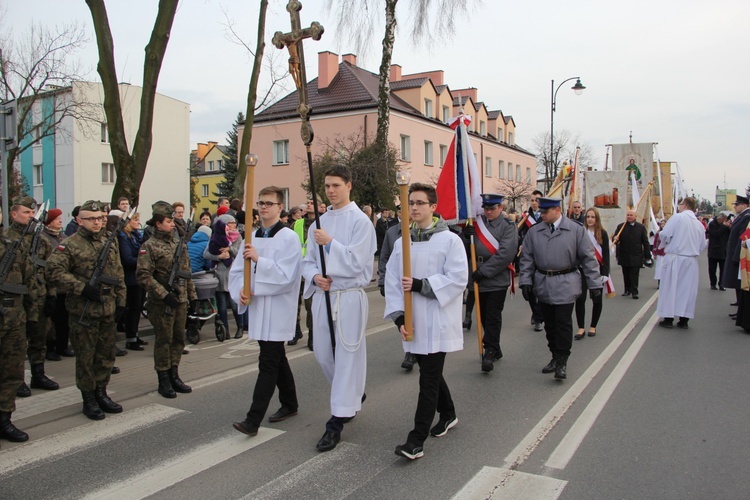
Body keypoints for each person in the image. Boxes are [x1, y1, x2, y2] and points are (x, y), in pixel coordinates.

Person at [384, 183, 467, 460]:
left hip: (438, 319)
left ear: (433, 207)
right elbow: (393, 282)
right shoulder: (401, 242)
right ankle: (449, 413)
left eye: (420, 203)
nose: (415, 208)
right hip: (414, 321)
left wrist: (421, 285)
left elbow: (458, 278)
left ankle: (416, 440)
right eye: (411, 203)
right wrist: (399, 317)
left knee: (428, 378)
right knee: (429, 371)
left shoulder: (450, 240)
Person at [301, 165, 376, 452]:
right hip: (323, 295)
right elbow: (307, 260)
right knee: (322, 353)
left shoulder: (360, 222)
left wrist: (330, 243)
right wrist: (314, 276)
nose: (331, 191)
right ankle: (352, 392)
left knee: (346, 354)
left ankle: (335, 423)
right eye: (327, 186)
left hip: (348, 296)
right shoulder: (317, 223)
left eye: (336, 185)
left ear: (349, 185)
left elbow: (359, 263)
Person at [229, 186, 302, 437]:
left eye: (269, 203)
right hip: (259, 308)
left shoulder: (289, 238)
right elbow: (238, 271)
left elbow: (288, 277)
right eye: (260, 203)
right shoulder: (252, 235)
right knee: (275, 356)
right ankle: (290, 403)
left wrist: (260, 261)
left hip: (279, 308)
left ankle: (253, 420)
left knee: (268, 362)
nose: (263, 207)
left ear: (280, 207)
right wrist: (240, 289)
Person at [47, 200, 127, 420]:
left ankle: (101, 392)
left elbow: (118, 274)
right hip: (84, 312)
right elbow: (53, 271)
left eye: (100, 218)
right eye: (91, 219)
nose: (97, 222)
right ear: (80, 220)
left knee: (105, 356)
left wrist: (121, 301)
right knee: (86, 357)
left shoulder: (109, 242)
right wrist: (81, 287)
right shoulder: (69, 244)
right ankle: (88, 398)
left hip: (107, 309)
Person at [519, 197, 601, 380]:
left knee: (563, 323)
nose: (542, 215)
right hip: (543, 283)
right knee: (550, 324)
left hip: (566, 281)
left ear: (557, 210)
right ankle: (555, 356)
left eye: (545, 212)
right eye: (541, 212)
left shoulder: (576, 230)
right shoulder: (535, 232)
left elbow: (588, 259)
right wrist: (525, 281)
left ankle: (562, 360)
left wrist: (595, 285)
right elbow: (527, 259)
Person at [137, 201, 197, 399]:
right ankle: (163, 379)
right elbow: (144, 276)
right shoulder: (149, 246)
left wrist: (192, 296)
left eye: (173, 220)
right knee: (164, 340)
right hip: (161, 303)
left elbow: (186, 272)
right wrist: (164, 294)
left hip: (180, 300)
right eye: (168, 220)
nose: (172, 224)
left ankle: (174, 374)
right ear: (157, 223)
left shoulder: (178, 244)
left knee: (178, 339)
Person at [5, 198, 59, 398]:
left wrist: (52, 295)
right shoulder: (6, 239)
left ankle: (38, 374)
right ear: (14, 214)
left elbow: (51, 270)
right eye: (26, 212)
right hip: (16, 301)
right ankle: (16, 379)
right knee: (16, 344)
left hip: (39, 297)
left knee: (39, 338)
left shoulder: (42, 240)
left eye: (32, 212)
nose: (31, 216)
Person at [462, 194, 517, 372]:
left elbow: (506, 255)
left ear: (500, 208)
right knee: (483, 315)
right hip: (477, 275)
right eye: (486, 208)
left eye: (492, 208)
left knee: (493, 316)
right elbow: (464, 249)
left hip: (495, 279)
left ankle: (490, 350)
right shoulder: (478, 224)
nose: (488, 212)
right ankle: (495, 346)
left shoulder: (508, 226)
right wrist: (465, 236)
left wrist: (484, 272)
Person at [0, 198, 39, 444]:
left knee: (12, 372)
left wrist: (33, 316)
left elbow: (29, 282)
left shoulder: (12, 245)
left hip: (14, 320)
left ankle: (4, 419)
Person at [655, 198, 707, 329]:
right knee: (687, 290)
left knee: (670, 287)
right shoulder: (699, 224)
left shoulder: (677, 217)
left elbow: (665, 234)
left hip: (675, 258)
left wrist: (664, 239)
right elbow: (702, 245)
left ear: (684, 205)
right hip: (691, 260)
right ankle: (684, 320)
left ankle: (668, 318)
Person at [42, 208, 74, 360]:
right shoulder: (43, 237)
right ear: (49, 221)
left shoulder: (63, 236)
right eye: (57, 219)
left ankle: (62, 346)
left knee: (64, 320)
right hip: (52, 286)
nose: (60, 221)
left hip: (65, 286)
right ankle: (51, 348)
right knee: (52, 321)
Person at [204, 214, 244, 338]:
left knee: (234, 303)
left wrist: (230, 249)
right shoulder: (215, 237)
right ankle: (225, 329)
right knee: (221, 305)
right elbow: (206, 254)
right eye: (230, 222)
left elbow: (241, 254)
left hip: (232, 274)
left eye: (234, 222)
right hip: (219, 274)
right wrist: (218, 257)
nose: (233, 225)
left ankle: (240, 327)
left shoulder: (237, 237)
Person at [574, 208, 610, 339]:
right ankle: (581, 327)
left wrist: (605, 273)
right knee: (580, 298)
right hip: (582, 270)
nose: (590, 219)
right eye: (588, 217)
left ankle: (593, 326)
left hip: (597, 270)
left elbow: (605, 254)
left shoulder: (603, 234)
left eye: (593, 217)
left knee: (596, 298)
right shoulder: (580, 232)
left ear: (597, 219)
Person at [118, 212, 148, 351]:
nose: (138, 222)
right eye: (135, 220)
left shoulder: (136, 236)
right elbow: (127, 259)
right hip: (131, 278)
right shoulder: (123, 237)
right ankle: (131, 338)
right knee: (133, 308)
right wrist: (144, 261)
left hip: (139, 277)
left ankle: (135, 335)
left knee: (138, 307)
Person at [518, 190, 545, 331]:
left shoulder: (546, 217)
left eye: (537, 200)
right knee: (529, 290)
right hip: (528, 257)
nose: (534, 202)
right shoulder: (525, 218)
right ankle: (535, 312)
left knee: (540, 288)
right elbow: (517, 234)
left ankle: (538, 317)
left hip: (542, 256)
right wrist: (520, 242)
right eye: (532, 200)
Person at [291, 200, 316, 348]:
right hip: (297, 268)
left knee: (310, 305)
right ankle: (295, 330)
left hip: (312, 270)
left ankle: (312, 334)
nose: (308, 204)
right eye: (307, 202)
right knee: (294, 303)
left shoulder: (322, 223)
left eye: (312, 202)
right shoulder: (297, 224)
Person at [722, 195, 750, 319]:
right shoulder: (742, 216)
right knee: (737, 282)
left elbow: (742, 237)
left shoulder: (746, 217)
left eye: (737, 204)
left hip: (739, 254)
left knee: (740, 282)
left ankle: (741, 310)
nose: (735, 207)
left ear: (744, 205)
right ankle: (740, 307)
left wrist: (737, 256)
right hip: (736, 252)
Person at [613, 209, 651, 299]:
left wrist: (647, 255)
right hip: (624, 254)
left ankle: (634, 291)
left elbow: (645, 242)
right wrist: (615, 238)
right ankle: (627, 290)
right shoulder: (621, 227)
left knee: (634, 274)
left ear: (635, 216)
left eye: (631, 215)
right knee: (625, 273)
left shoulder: (641, 227)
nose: (629, 216)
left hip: (636, 255)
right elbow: (615, 239)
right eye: (628, 215)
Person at [706, 213, 730, 291]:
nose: (724, 222)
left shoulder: (725, 226)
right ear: (720, 219)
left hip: (723, 250)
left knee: (723, 269)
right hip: (713, 250)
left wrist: (729, 227)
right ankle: (713, 283)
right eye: (724, 220)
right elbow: (716, 233)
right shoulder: (712, 224)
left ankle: (721, 284)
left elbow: (729, 235)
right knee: (712, 269)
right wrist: (724, 226)